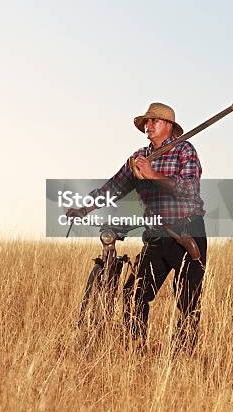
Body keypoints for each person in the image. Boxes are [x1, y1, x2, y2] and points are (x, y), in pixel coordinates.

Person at [66, 102, 207, 354]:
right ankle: (135, 350)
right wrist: (83, 208)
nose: (148, 126)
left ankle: (184, 358)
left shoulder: (184, 150)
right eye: (146, 122)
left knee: (188, 300)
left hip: (187, 233)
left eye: (154, 121)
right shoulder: (137, 159)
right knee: (134, 293)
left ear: (169, 127)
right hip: (156, 234)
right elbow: (112, 188)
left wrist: (152, 175)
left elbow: (189, 189)